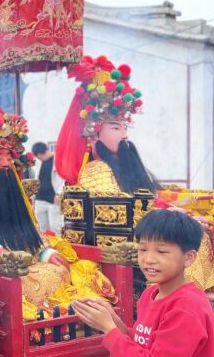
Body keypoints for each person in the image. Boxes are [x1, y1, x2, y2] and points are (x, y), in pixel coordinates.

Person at [0, 98, 117, 314]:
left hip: (30, 262)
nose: (5, 164)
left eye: (8, 158)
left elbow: (33, 230)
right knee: (25, 281)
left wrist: (46, 253)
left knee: (60, 269)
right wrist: (7, 257)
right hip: (2, 266)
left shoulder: (18, 195)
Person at [55, 54, 214, 291]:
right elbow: (126, 212)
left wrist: (183, 209)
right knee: (192, 236)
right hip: (131, 236)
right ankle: (181, 294)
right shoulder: (95, 169)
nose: (124, 134)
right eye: (116, 127)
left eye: (125, 127)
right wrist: (179, 216)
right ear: (94, 132)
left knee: (205, 222)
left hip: (145, 226)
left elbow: (150, 198)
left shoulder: (123, 162)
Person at [71, 209, 214, 356]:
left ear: (189, 257)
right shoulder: (150, 293)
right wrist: (118, 326)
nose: (148, 259)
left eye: (161, 251)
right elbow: (144, 344)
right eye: (143, 249)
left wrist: (109, 329)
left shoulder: (187, 307)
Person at [31, 142, 64, 234]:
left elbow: (64, 178)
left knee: (56, 227)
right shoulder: (38, 163)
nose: (40, 159)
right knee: (42, 228)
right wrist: (34, 201)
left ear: (43, 152)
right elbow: (36, 181)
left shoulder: (58, 160)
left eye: (40, 156)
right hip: (40, 199)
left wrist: (59, 194)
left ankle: (59, 247)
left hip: (53, 199)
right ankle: (47, 247)